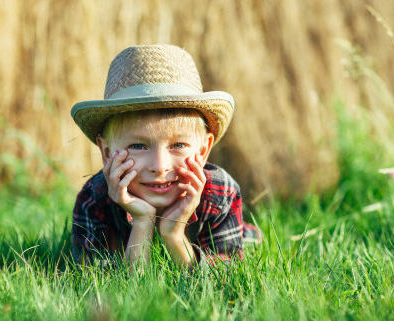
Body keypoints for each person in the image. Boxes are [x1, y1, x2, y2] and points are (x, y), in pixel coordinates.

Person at [71, 44, 260, 268]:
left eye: (178, 145)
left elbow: (222, 281)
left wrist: (174, 235)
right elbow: (109, 284)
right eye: (138, 146)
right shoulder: (95, 197)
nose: (159, 167)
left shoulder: (220, 194)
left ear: (202, 151)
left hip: (230, 236)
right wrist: (142, 222)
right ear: (107, 152)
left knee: (251, 243)